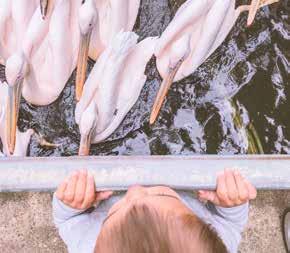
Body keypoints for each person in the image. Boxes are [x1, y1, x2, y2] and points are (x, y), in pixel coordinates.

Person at [53, 169, 257, 253]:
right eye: (160, 195)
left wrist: (72, 205)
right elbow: (231, 223)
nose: (135, 189)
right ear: (204, 223)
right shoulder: (216, 241)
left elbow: (67, 221)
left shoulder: (86, 245)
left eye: (112, 215)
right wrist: (230, 204)